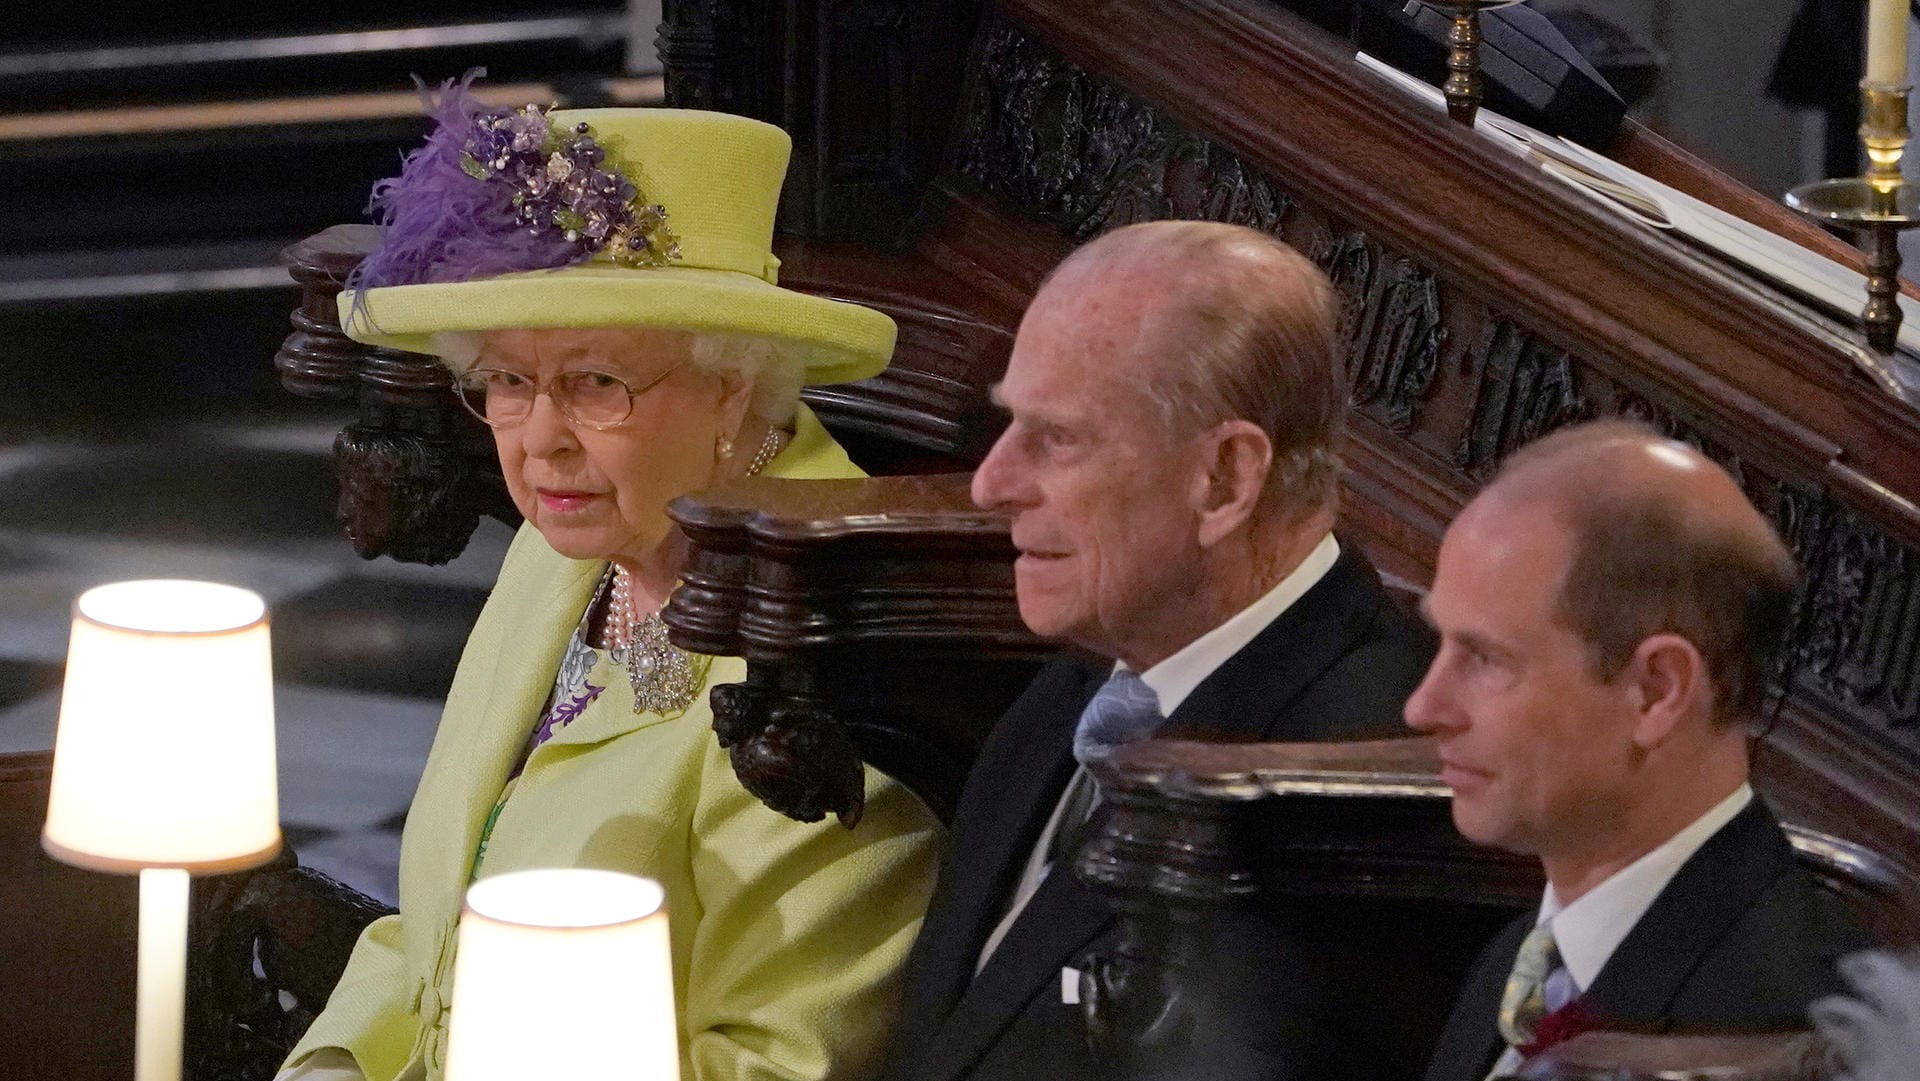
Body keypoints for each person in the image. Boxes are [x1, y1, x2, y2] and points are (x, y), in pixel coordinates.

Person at [278, 84, 940, 1081]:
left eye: (596, 382)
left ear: (735, 381)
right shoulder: (567, 549)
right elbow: (434, 937)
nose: (539, 440)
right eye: (505, 379)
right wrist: (332, 1064)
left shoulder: (831, 629)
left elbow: (779, 1064)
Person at [881, 219, 1434, 1081]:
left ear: (1224, 480)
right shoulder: (1090, 678)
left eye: (1056, 438)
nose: (991, 482)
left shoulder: (1349, 789)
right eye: (1009, 423)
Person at [1410, 420, 1875, 1081]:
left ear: (1656, 692)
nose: (1423, 706)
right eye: (1442, 644)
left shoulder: (1786, 1044)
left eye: (1484, 659)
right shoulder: (1520, 958)